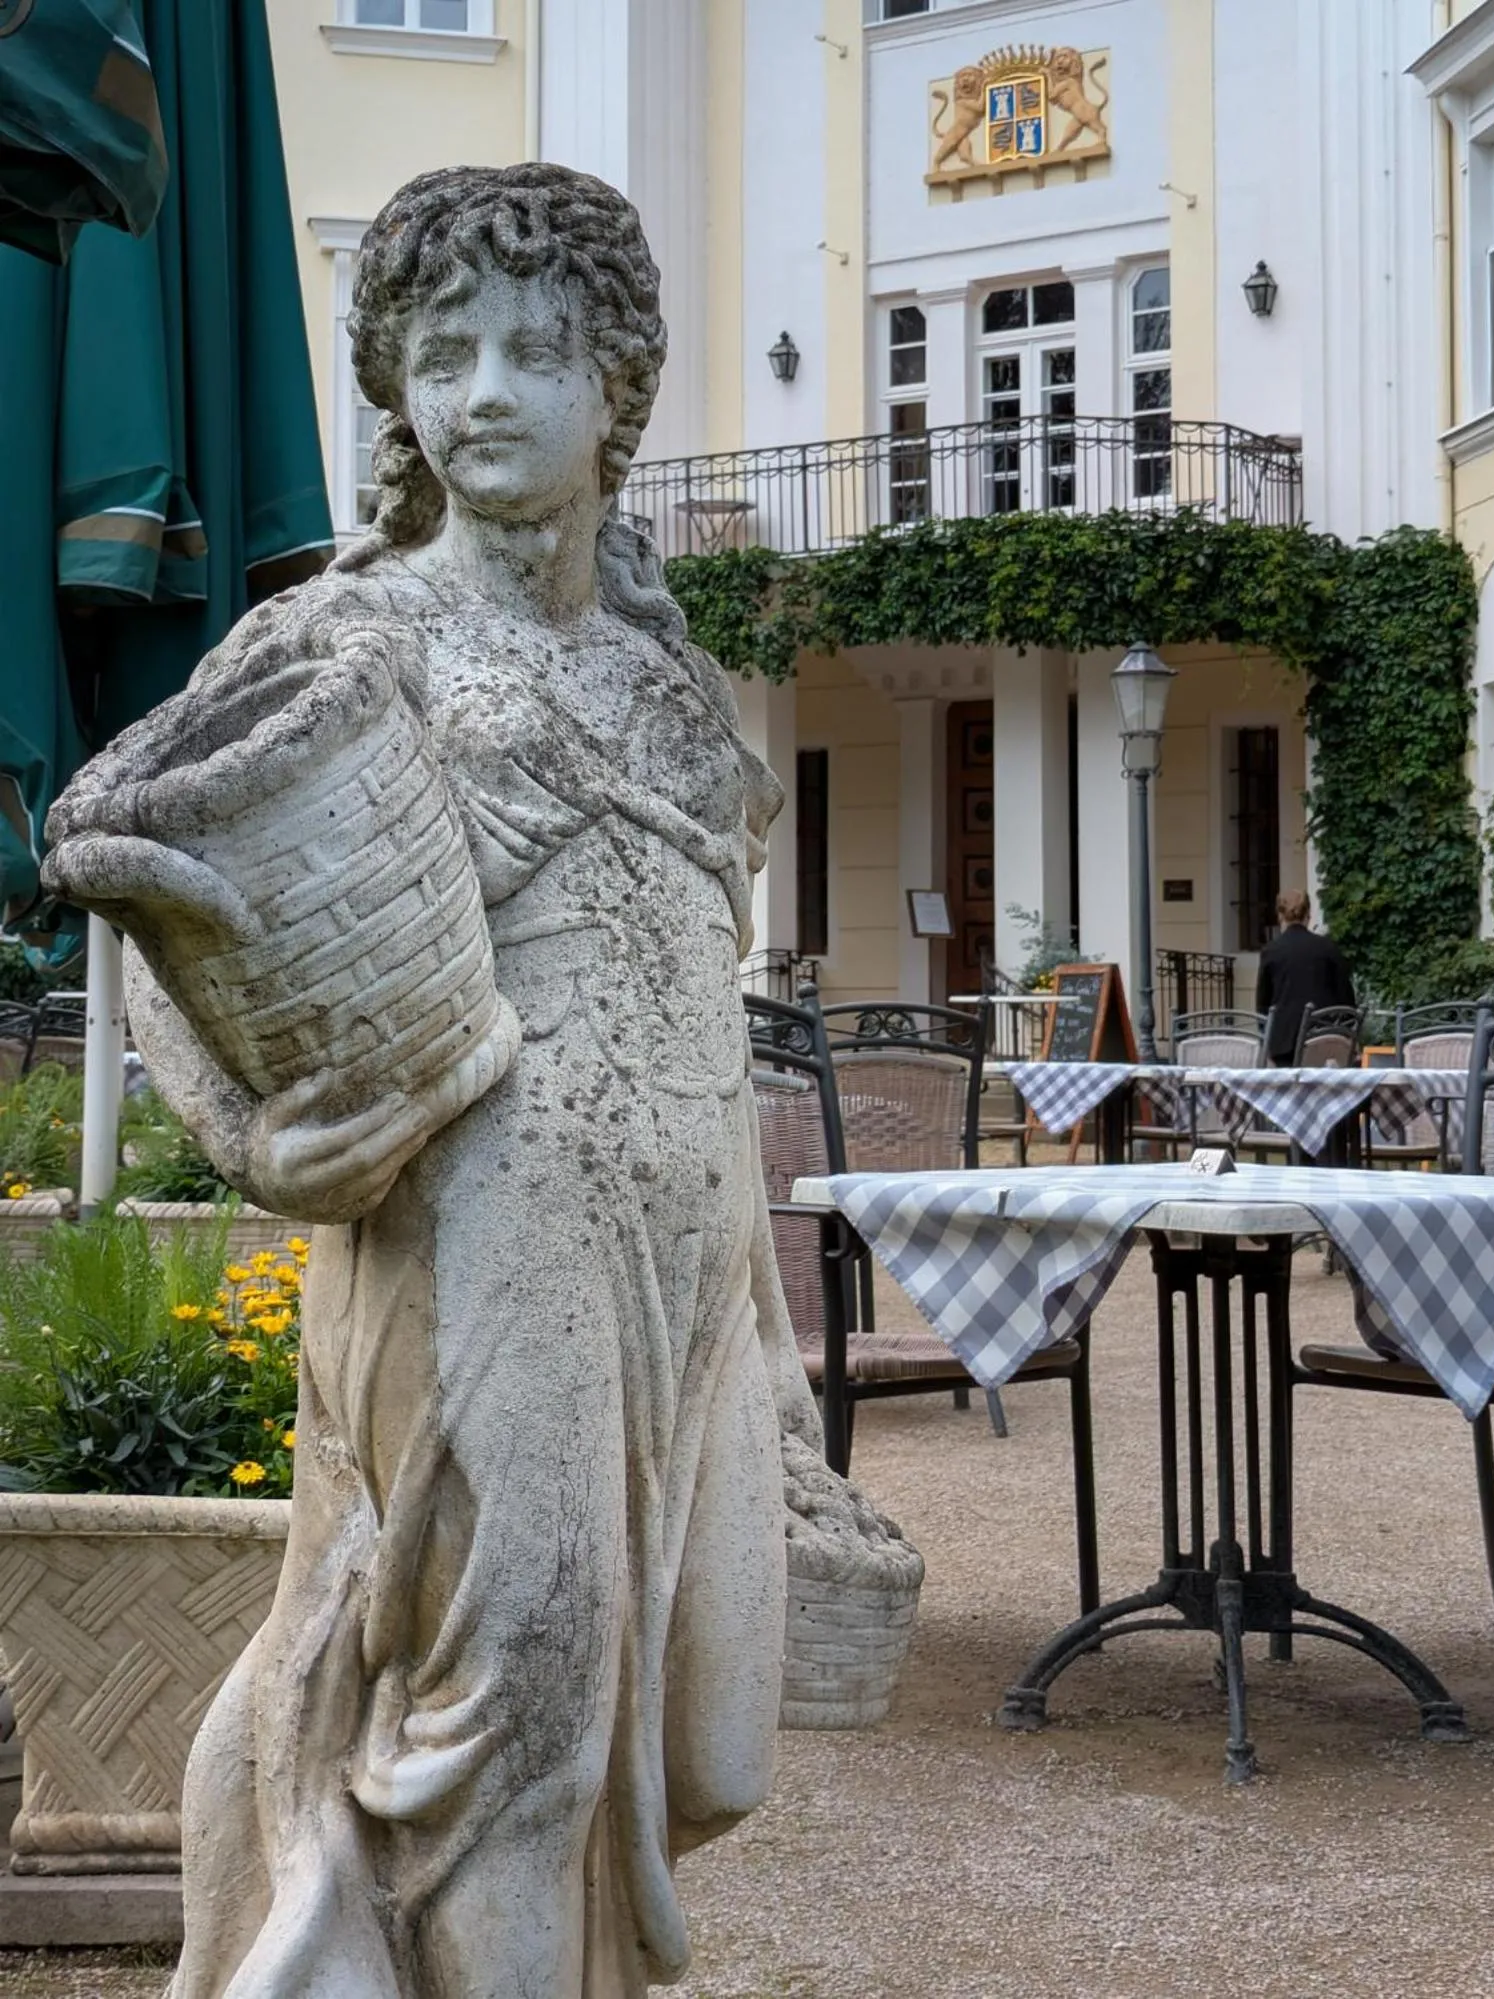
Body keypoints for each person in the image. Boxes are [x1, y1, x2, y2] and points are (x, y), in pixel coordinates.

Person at [48, 164, 833, 1998]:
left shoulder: (664, 676)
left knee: (710, 1737)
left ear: (614, 390)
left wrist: (768, 1335)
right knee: (517, 1737)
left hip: (684, 1264)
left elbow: (708, 1025)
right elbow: (141, 877)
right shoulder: (354, 636)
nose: (485, 387)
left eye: (537, 350)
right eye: (444, 349)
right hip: (487, 1245)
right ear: (394, 383)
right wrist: (252, 1130)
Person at [1254, 890, 1355, 1065]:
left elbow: (1263, 1004)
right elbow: (1346, 998)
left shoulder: (1271, 951)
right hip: (1326, 1040)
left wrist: (1268, 1040)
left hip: (1284, 1043)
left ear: (1280, 915)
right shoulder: (1328, 948)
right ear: (1308, 914)